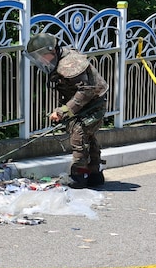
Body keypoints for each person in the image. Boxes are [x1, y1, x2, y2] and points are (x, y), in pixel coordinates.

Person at [25, 33, 108, 189]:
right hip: (88, 103)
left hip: (92, 103)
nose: (42, 60)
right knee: (88, 137)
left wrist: (63, 111)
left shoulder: (70, 63)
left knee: (79, 136)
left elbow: (85, 91)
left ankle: (78, 176)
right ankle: (95, 174)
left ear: (52, 51)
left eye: (43, 56)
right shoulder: (59, 59)